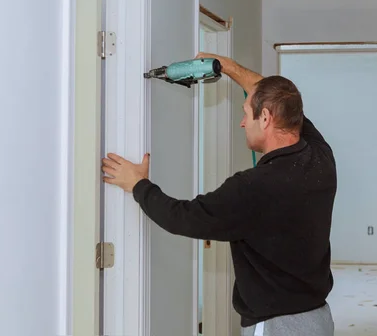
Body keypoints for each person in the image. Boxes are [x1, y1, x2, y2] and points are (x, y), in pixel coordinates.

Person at [102, 53, 337, 336]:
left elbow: (183, 218)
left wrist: (137, 184)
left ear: (265, 117)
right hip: (318, 320)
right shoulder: (320, 156)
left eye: (245, 113)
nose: (242, 123)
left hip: (279, 326)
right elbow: (271, 92)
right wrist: (228, 67)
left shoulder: (253, 187)